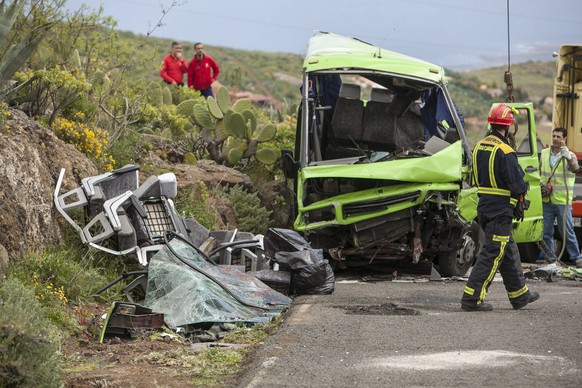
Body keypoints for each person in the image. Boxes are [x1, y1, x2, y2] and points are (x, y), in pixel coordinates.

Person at [461, 103, 540, 311]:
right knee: (492, 253)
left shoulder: (479, 146)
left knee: (509, 251)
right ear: (508, 126)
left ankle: (520, 295)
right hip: (500, 211)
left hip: (485, 209)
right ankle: (472, 298)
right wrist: (524, 189)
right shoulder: (505, 151)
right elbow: (517, 184)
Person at [539, 127, 582, 267]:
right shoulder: (544, 153)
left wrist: (567, 155)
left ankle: (576, 258)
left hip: (562, 200)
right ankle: (550, 260)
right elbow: (539, 172)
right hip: (547, 199)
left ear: (565, 139)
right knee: (546, 232)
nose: (556, 139)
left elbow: (575, 168)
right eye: (554, 136)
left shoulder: (569, 155)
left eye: (559, 137)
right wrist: (541, 184)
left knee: (567, 232)